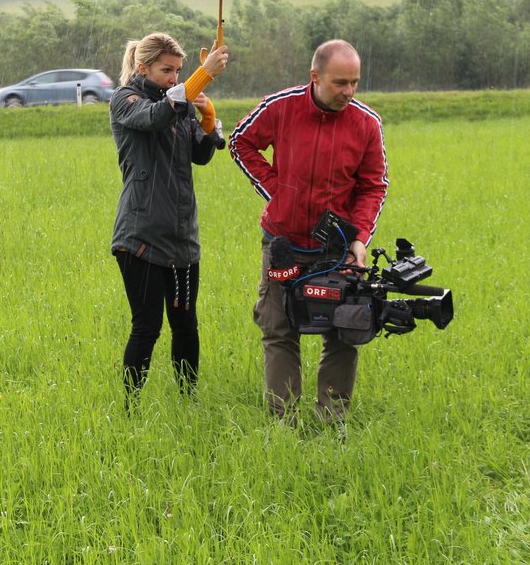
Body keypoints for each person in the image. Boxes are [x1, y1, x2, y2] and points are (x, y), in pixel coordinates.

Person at [229, 39, 388, 423]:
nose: (349, 92)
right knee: (278, 329)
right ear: (315, 76)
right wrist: (277, 191)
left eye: (355, 82)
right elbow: (240, 143)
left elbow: (373, 187)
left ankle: (332, 420)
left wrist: (359, 238)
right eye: (340, 83)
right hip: (282, 242)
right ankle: (283, 421)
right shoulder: (280, 107)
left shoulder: (367, 123)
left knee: (344, 330)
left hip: (336, 247)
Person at [110, 32, 229, 402]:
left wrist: (209, 120)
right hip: (140, 236)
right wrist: (203, 76)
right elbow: (154, 117)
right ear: (143, 68)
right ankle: (130, 407)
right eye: (167, 70)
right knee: (147, 327)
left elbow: (201, 155)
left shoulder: (181, 103)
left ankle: (188, 401)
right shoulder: (125, 100)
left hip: (181, 236)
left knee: (186, 325)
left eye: (178, 71)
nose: (174, 78)